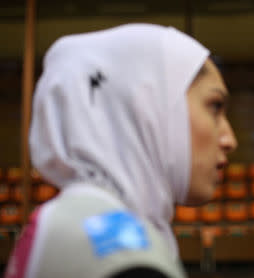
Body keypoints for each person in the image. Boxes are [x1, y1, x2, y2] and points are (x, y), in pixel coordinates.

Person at [5, 23, 237, 278]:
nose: (229, 139)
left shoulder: (71, 220)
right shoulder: (124, 256)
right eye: (214, 107)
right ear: (148, 109)